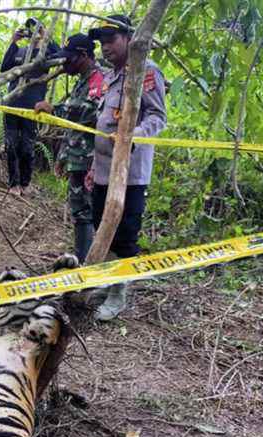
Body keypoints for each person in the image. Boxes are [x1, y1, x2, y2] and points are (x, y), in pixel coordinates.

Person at [85, 14, 167, 321]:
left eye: (111, 39)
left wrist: (134, 136)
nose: (105, 47)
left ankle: (119, 291)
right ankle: (107, 281)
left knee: (125, 233)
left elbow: (158, 117)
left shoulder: (146, 72)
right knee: (100, 225)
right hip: (104, 168)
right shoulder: (109, 76)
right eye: (102, 42)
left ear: (129, 39)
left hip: (130, 172)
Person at [33, 34, 105, 264]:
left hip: (92, 159)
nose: (65, 65)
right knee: (79, 211)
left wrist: (55, 109)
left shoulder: (99, 78)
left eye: (69, 59)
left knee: (88, 211)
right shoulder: (82, 80)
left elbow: (91, 113)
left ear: (84, 56)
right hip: (77, 157)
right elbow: (72, 129)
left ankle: (89, 263)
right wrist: (63, 155)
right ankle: (82, 260)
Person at [0, 18, 59, 196]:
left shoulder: (46, 53)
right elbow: (4, 67)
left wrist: (46, 35)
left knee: (27, 147)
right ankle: (13, 184)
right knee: (11, 145)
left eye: (36, 29)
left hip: (34, 108)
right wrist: (13, 41)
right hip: (12, 105)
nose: (32, 33)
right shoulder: (20, 51)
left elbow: (61, 55)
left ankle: (25, 183)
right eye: (30, 29)